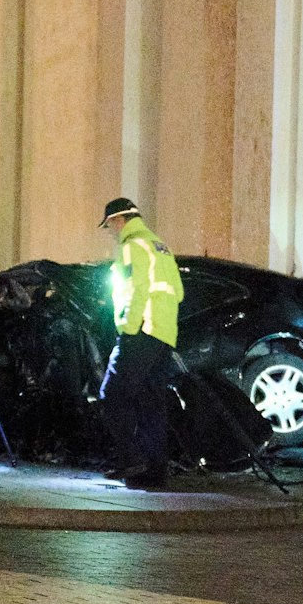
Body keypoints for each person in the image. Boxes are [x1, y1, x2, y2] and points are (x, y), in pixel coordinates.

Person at [97, 197, 184, 489]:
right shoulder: (161, 247)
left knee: (112, 394)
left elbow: (138, 289)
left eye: (110, 226)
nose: (111, 232)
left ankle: (129, 460)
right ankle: (153, 472)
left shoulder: (132, 246)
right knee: (151, 402)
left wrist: (128, 327)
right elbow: (179, 293)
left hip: (141, 331)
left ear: (119, 220)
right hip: (163, 334)